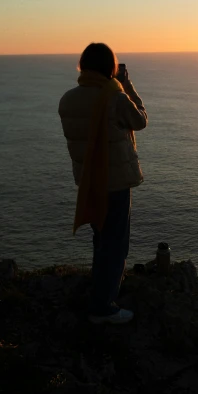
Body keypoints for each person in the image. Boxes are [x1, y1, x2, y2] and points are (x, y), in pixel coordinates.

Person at [58, 43, 147, 324]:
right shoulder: (115, 98)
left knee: (100, 239)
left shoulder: (67, 99)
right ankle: (103, 307)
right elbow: (140, 120)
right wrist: (125, 85)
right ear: (110, 67)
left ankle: (100, 293)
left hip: (89, 180)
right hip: (115, 181)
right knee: (115, 244)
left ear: (83, 66)